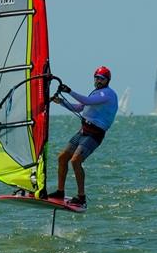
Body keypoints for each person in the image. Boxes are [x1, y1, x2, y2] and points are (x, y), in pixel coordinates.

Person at [47, 66, 118, 208]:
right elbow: (79, 107)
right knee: (62, 157)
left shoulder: (107, 94)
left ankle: (81, 197)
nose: (98, 81)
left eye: (101, 79)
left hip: (95, 134)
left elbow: (86, 101)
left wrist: (70, 91)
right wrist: (61, 101)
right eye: (96, 78)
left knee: (75, 161)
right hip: (83, 131)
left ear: (107, 80)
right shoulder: (96, 93)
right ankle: (60, 192)